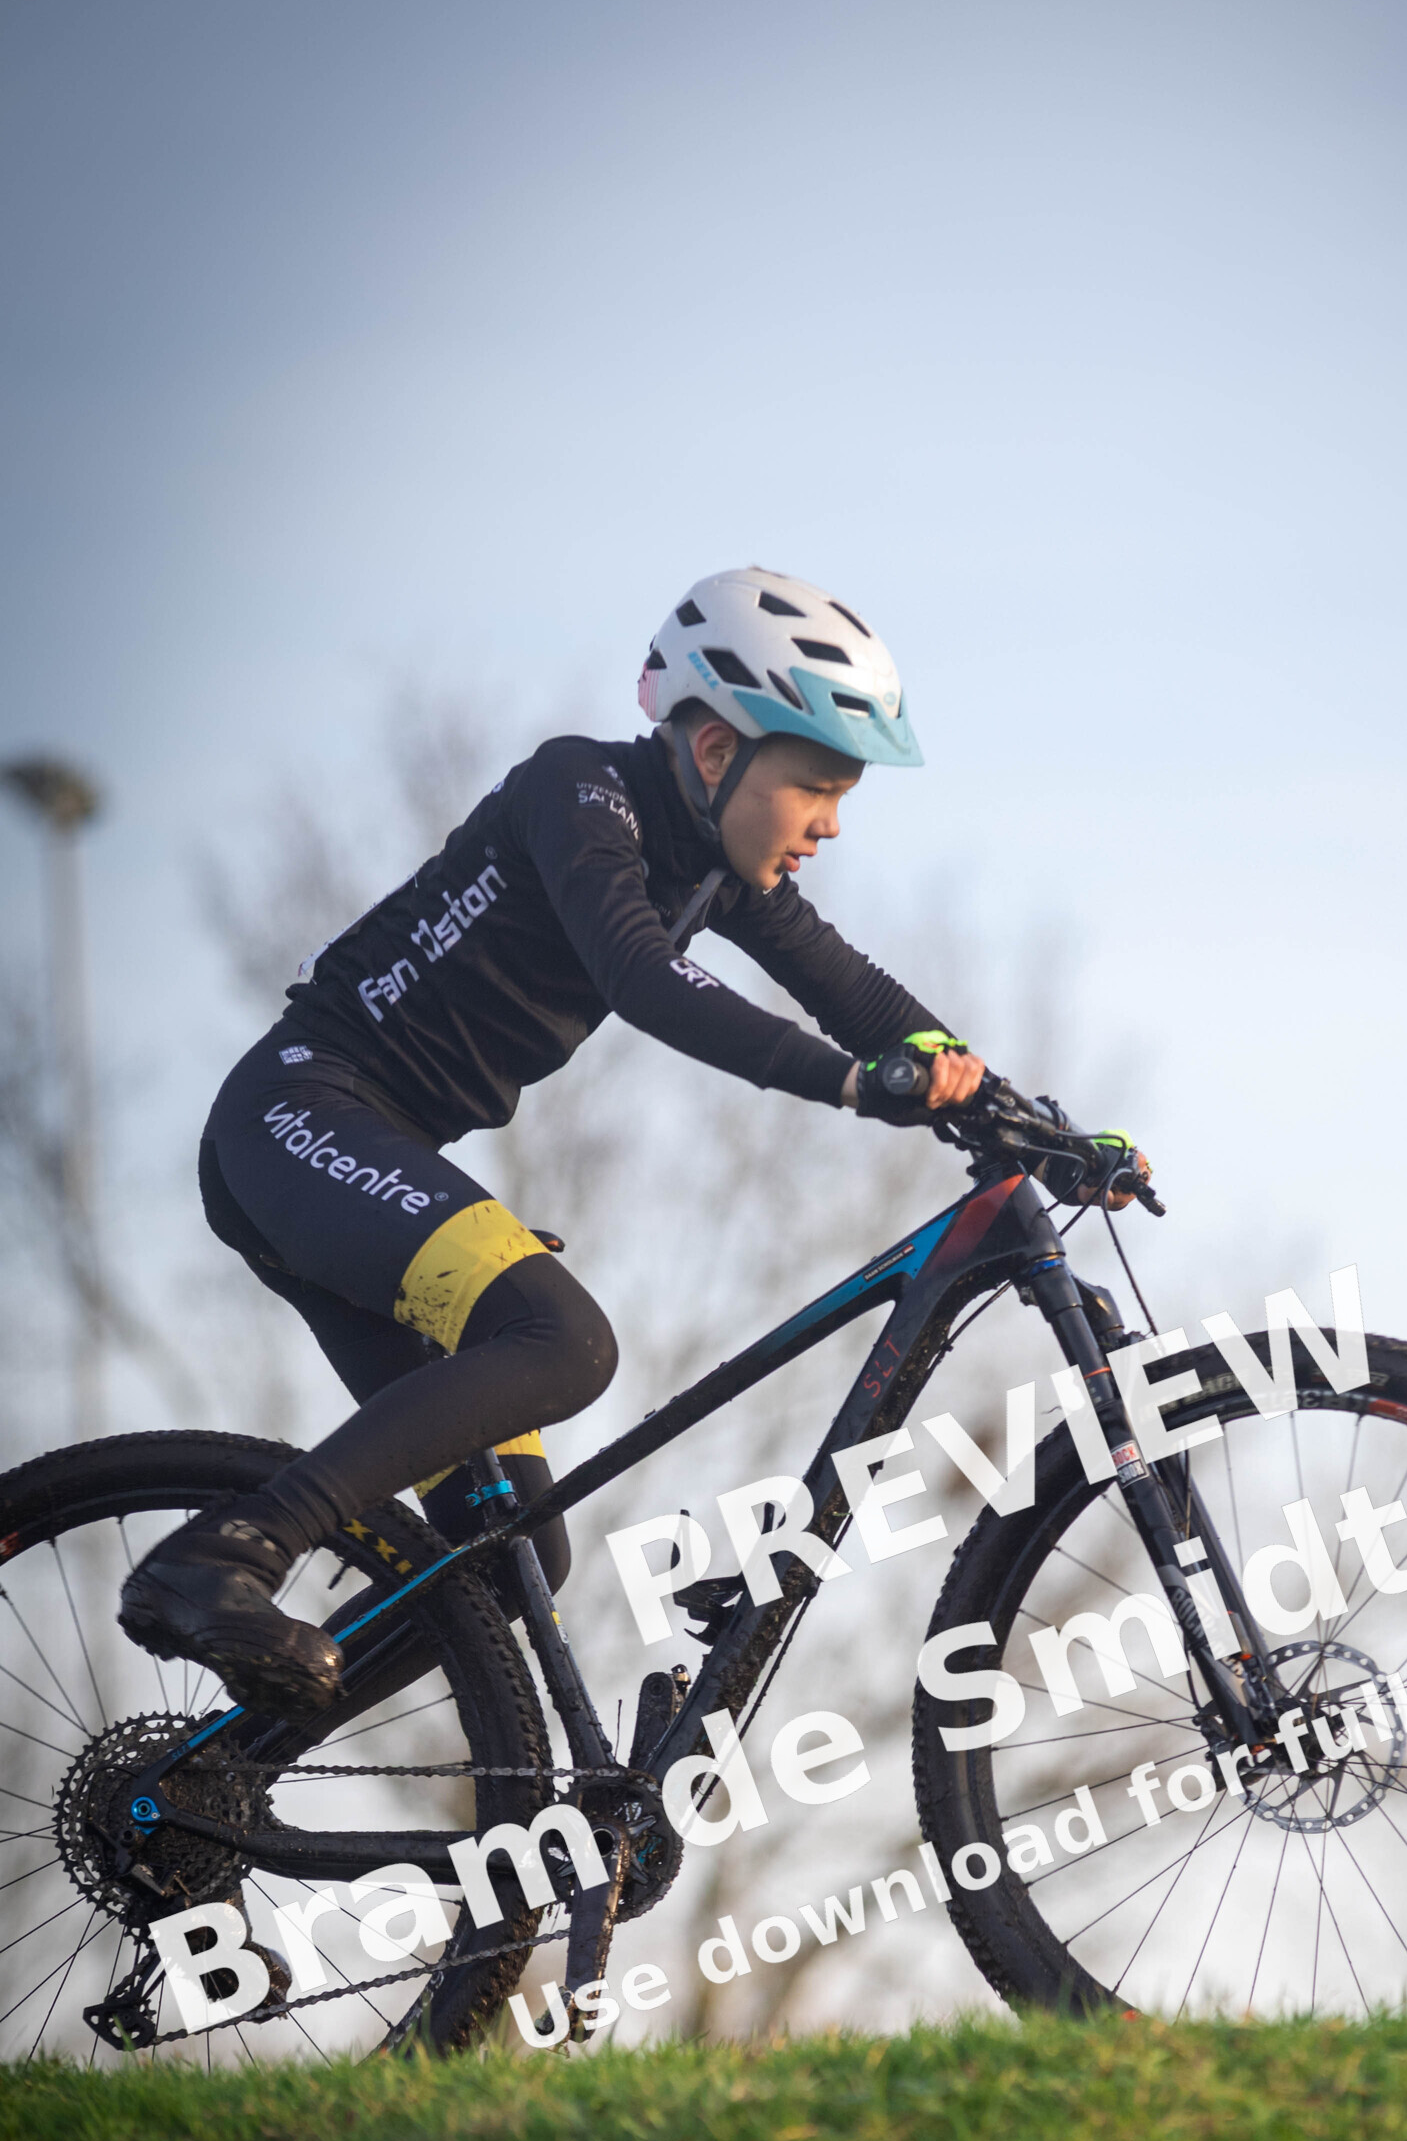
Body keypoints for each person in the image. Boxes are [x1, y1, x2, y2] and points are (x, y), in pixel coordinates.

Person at [119, 565, 994, 1718]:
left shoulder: (720, 877)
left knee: (513, 1549)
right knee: (565, 1342)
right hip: (300, 1117)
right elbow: (641, 976)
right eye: (818, 786)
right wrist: (846, 1083)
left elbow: (869, 1004)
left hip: (368, 1158)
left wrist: (1019, 1117)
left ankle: (231, 1769)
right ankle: (220, 1556)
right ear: (718, 752)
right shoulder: (578, 790)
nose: (830, 823)